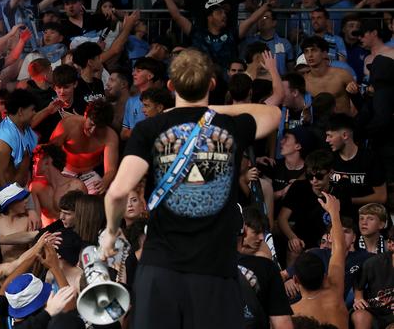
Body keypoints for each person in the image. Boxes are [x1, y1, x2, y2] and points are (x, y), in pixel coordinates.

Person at [100, 48, 281, 328]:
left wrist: (111, 233)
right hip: (215, 271)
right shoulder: (229, 124)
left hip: (160, 269)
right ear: (212, 84)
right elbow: (272, 113)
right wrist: (210, 110)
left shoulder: (148, 128)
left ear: (170, 86)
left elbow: (117, 192)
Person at [290, 192, 348, 329]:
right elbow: (339, 248)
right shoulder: (335, 295)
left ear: (295, 280)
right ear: (325, 277)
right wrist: (334, 213)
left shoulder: (292, 313)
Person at [50, 99, 119, 195]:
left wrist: (104, 182)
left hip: (90, 174)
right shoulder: (68, 124)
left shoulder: (110, 136)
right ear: (86, 115)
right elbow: (49, 153)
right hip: (65, 172)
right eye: (91, 124)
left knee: (100, 201)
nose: (93, 130)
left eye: (99, 128)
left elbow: (110, 170)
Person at [326, 113, 387, 208]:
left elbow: (381, 197)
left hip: (365, 215)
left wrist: (348, 201)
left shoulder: (370, 158)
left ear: (345, 135)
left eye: (330, 136)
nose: (327, 140)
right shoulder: (329, 158)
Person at [0, 89, 38, 189]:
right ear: (21, 111)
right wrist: (12, 201)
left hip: (23, 190)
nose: (34, 113)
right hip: (12, 197)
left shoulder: (23, 127)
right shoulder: (5, 137)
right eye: (32, 110)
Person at [30, 144, 86, 225]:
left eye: (36, 160)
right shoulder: (35, 187)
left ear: (47, 161)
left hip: (71, 233)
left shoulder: (76, 186)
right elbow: (36, 220)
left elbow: (84, 218)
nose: (33, 165)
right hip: (48, 234)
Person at [352, 227, 394, 329]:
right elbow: (358, 284)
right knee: (359, 316)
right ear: (391, 244)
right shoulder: (373, 263)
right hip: (374, 311)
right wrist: (358, 298)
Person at [301, 36, 355, 115]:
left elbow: (357, 103)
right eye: (306, 51)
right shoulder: (304, 81)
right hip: (319, 125)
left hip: (343, 123)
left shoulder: (342, 74)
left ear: (324, 53)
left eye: (314, 50)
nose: (310, 55)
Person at [121, 57, 164, 140]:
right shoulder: (131, 101)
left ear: (150, 76)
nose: (133, 74)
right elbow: (123, 134)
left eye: (138, 71)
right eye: (133, 70)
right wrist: (137, 131)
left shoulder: (161, 99)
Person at [0, 183, 32, 262]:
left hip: (25, 268)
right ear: (10, 203)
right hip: (3, 269)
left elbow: (34, 252)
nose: (26, 201)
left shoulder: (27, 221)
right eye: (21, 199)